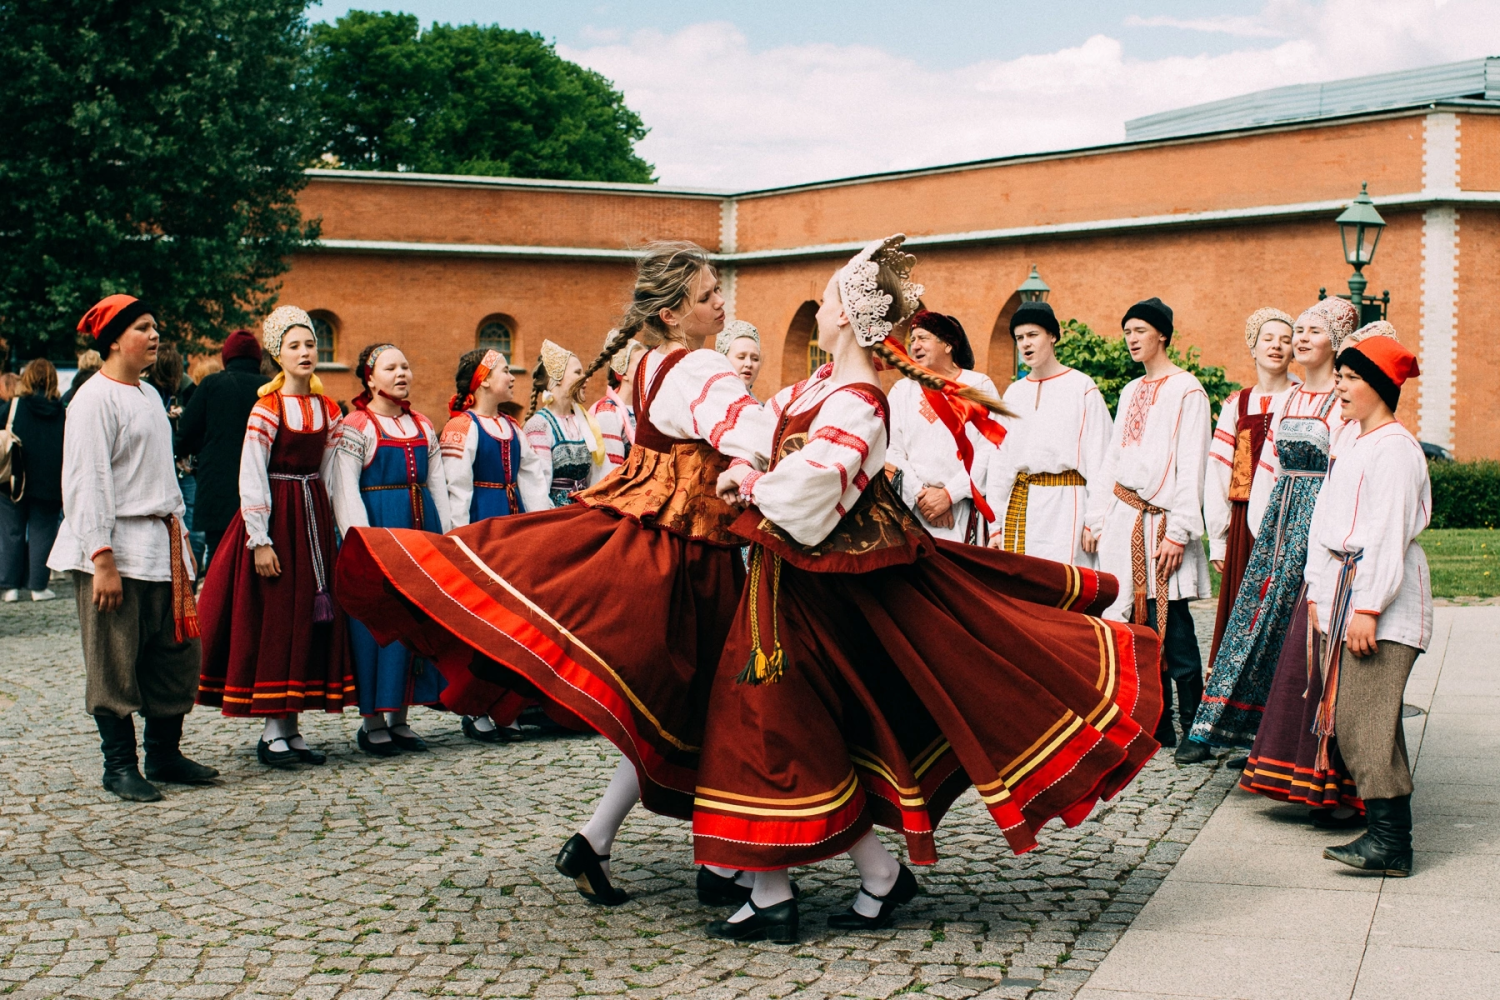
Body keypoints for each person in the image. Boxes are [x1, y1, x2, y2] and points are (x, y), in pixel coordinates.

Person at [696, 236, 1162, 942]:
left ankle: (789, 887)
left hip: (814, 594)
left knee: (779, 722)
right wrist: (744, 460)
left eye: (824, 302)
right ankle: (817, 880)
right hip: (785, 585)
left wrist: (755, 482)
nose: (816, 311)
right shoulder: (814, 388)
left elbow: (815, 486)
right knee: (780, 723)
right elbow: (764, 429)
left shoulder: (860, 401)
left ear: (847, 320)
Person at [336, 240, 774, 908]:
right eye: (710, 293)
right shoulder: (697, 367)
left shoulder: (655, 363)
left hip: (670, 541)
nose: (722, 302)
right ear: (676, 309)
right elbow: (750, 430)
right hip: (696, 557)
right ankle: (725, 861)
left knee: (671, 710)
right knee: (723, 706)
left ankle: (599, 840)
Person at [47, 295, 217, 802]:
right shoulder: (93, 400)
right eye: (144, 327)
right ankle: (119, 765)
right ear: (115, 339)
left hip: (161, 543)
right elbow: (87, 481)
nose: (155, 334)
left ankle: (164, 753)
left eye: (155, 324)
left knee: (175, 653)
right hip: (115, 544)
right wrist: (102, 557)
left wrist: (182, 542)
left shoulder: (147, 394)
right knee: (114, 657)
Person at [1178, 301, 1347, 767]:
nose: (1285, 343)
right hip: (1262, 520)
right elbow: (1237, 470)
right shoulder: (1244, 402)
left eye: (1293, 334)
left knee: (1291, 634)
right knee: (1242, 624)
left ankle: (1268, 738)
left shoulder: (1334, 397)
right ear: (1252, 346)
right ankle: (1213, 726)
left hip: (1313, 525)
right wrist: (1238, 532)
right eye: (1280, 335)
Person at [195, 306, 354, 767]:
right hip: (278, 519)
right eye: (295, 346)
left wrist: (344, 529)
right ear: (276, 355)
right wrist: (259, 538)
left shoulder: (328, 408)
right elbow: (251, 475)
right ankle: (271, 731)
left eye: (310, 344)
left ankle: (292, 727)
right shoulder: (266, 407)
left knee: (308, 617)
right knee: (278, 616)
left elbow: (333, 474)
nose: (306, 352)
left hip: (313, 522)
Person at [1234, 300, 1368, 818]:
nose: (1300, 338)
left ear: (1337, 342)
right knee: (1273, 641)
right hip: (1279, 529)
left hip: (1321, 535)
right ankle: (1269, 750)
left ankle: (1323, 775)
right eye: (1299, 330)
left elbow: (1342, 477)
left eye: (1313, 331)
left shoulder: (1343, 404)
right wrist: (1262, 532)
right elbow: (1266, 465)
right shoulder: (1289, 398)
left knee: (1312, 654)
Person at [1305, 333, 1429, 877]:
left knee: (1364, 719)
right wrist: (1318, 591)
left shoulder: (1396, 449)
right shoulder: (1352, 442)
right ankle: (1387, 840)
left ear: (1378, 385)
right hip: (1345, 590)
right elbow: (1325, 524)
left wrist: (1369, 606)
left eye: (1351, 378)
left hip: (1381, 600)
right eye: (1340, 377)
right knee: (1364, 720)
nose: (1340, 387)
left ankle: (1390, 843)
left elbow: (1386, 534)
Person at [1084, 297, 1211, 749]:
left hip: (1162, 524)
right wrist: (1097, 517)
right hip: (1126, 518)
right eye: (1127, 332)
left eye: (1139, 330)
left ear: (1162, 335)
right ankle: (1156, 723)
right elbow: (1112, 459)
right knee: (1137, 626)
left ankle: (1196, 728)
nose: (1132, 339)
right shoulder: (1130, 392)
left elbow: (1192, 464)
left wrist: (1179, 531)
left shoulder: (1188, 390)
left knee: (1174, 626)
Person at [332, 344, 453, 756]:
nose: (402, 372)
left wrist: (446, 534)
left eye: (405, 365)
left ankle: (401, 716)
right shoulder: (356, 425)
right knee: (378, 627)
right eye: (391, 367)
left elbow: (437, 483)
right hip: (381, 532)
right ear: (370, 377)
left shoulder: (421, 423)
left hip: (422, 531)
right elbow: (344, 487)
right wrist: (361, 542)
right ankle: (372, 721)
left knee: (415, 623)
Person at [441, 348, 550, 743]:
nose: (512, 376)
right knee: (484, 624)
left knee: (515, 622)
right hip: (482, 528)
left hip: (514, 529)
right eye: (505, 370)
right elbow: (456, 487)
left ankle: (505, 706)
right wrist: (459, 538)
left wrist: (542, 528)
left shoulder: (513, 428)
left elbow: (534, 483)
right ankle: (475, 709)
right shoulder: (461, 427)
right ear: (484, 379)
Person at [1200, 309, 1299, 674]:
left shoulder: (1302, 398)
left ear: (1294, 351)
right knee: (1244, 609)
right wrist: (1220, 538)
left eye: (1285, 340)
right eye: (1268, 339)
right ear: (1252, 348)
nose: (1276, 346)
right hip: (1245, 524)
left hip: (1288, 520)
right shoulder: (1236, 404)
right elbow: (1219, 472)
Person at [985, 301, 1112, 565]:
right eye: (1019, 338)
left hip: (1068, 506)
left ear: (1052, 336)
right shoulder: (1014, 393)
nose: (1025, 344)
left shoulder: (1081, 387)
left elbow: (1102, 458)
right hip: (1022, 505)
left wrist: (1095, 520)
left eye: (1033, 335)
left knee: (1066, 587)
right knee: (1025, 590)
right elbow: (1000, 464)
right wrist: (995, 524)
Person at [886, 309, 1000, 543]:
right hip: (916, 510)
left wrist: (950, 495)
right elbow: (891, 450)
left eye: (923, 338)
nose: (915, 346)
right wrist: (923, 496)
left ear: (948, 345)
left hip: (966, 509)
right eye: (913, 340)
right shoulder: (901, 391)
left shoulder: (978, 385)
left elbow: (990, 449)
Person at [176, 330, 269, 572]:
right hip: (263, 489)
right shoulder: (270, 389)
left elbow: (186, 431)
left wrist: (196, 453)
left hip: (217, 489)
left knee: (220, 563)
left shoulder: (211, 384)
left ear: (226, 356)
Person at [2, 359, 66, 602]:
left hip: (13, 479)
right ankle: (38, 586)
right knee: (43, 532)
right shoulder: (62, 411)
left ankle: (10, 587)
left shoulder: (15, 405)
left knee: (11, 531)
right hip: (49, 482)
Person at [523, 341, 609, 507]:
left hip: (584, 511)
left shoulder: (584, 422)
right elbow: (537, 488)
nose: (585, 379)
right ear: (557, 378)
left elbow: (596, 475)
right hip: (555, 516)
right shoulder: (539, 426)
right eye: (577, 372)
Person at [589, 331, 647, 470]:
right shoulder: (608, 413)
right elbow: (608, 472)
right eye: (642, 364)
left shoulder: (648, 409)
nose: (648, 369)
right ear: (624, 373)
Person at [716, 320, 762, 396]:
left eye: (755, 359)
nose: (749, 364)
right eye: (741, 357)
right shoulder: (708, 404)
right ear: (724, 360)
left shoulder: (761, 407)